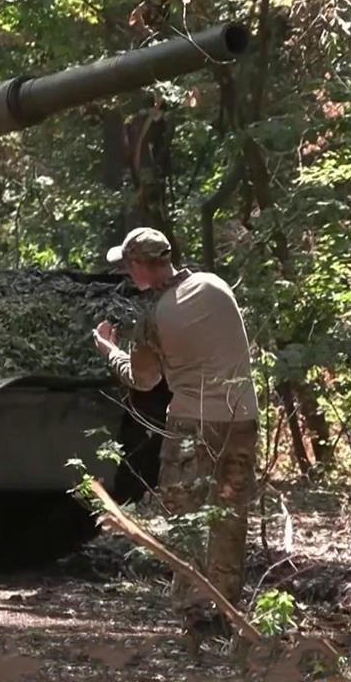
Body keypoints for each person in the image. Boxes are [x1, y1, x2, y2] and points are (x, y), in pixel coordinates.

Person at [92, 226, 260, 645]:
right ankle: (226, 616)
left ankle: (196, 623)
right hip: (241, 420)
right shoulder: (216, 284)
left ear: (142, 267)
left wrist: (110, 351)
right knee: (228, 518)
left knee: (186, 520)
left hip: (193, 425)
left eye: (130, 267)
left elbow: (143, 380)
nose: (129, 276)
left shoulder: (155, 317)